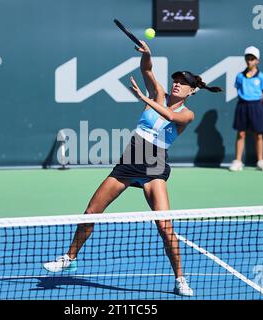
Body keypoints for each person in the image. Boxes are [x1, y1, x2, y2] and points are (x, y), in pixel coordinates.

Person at [43, 40, 222, 296]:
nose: (177, 83)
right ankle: (68, 258)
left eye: (183, 82)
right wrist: (147, 55)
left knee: (165, 227)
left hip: (154, 168)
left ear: (192, 90)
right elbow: (147, 71)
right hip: (128, 164)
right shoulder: (159, 94)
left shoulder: (188, 114)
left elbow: (171, 117)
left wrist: (143, 99)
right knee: (91, 212)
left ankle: (180, 279)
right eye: (176, 79)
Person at [229, 46, 263, 171]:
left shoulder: (262, 77)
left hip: (256, 106)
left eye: (252, 59)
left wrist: (254, 103)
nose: (249, 61)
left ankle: (260, 161)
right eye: (248, 58)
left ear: (257, 60)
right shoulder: (240, 76)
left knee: (258, 135)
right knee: (241, 134)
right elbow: (238, 89)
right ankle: (238, 161)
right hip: (242, 105)